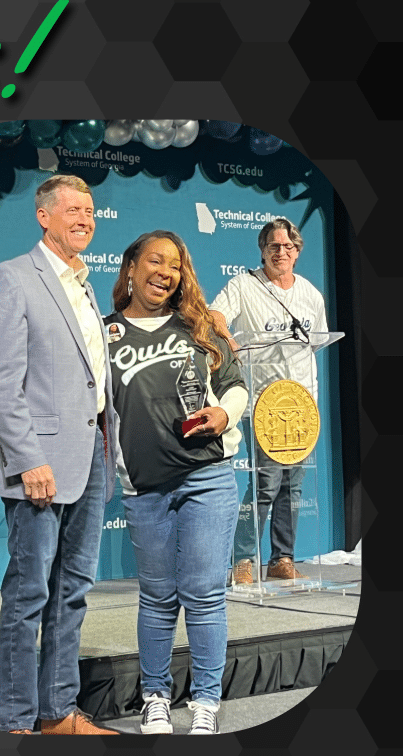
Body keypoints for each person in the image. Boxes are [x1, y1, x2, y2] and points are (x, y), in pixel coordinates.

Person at [0, 174, 118, 736]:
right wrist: (28, 459)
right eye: (74, 210)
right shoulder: (11, 279)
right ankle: (16, 722)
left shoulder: (83, 283)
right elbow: (2, 385)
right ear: (44, 216)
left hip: (92, 456)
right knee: (29, 595)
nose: (86, 218)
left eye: (90, 210)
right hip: (40, 464)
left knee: (73, 593)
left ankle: (58, 714)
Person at [104, 231, 248, 735]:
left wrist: (223, 415)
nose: (164, 272)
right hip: (145, 488)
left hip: (206, 478)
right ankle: (155, 697)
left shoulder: (201, 326)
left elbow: (236, 388)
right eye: (154, 261)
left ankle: (205, 702)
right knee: (158, 596)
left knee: (204, 594)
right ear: (130, 267)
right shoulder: (103, 333)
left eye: (175, 266)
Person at [208, 218, 328, 584]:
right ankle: (244, 559)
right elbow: (214, 315)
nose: (281, 253)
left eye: (289, 247)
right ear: (262, 250)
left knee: (294, 485)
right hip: (264, 402)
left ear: (298, 252)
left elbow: (320, 338)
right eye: (274, 246)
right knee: (266, 483)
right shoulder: (244, 285)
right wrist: (227, 337)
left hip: (302, 404)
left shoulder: (310, 293)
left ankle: (283, 558)